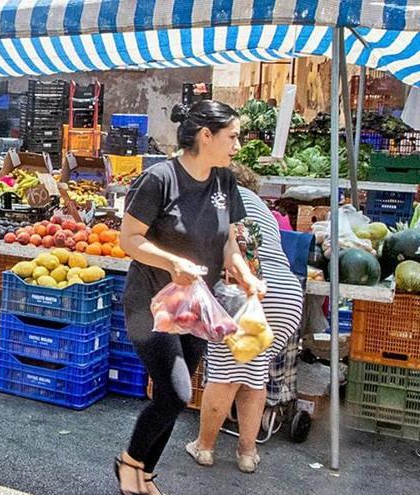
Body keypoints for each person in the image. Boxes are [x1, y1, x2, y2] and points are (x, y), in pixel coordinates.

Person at [114, 100, 264, 495]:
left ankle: (144, 474)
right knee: (178, 392)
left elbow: (228, 241)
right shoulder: (159, 178)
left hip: (197, 305)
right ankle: (129, 462)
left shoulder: (225, 182)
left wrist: (245, 273)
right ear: (206, 135)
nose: (237, 144)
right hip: (151, 303)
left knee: (172, 396)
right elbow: (128, 240)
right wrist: (171, 262)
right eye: (232, 136)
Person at [186, 163, 303, 473]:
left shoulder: (217, 198)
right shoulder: (262, 207)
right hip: (287, 296)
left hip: (244, 293)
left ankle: (205, 447)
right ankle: (247, 454)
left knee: (224, 374)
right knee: (253, 373)